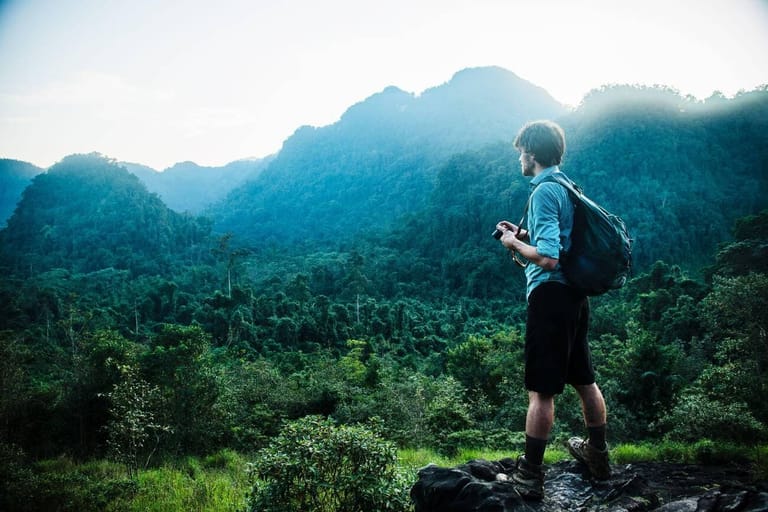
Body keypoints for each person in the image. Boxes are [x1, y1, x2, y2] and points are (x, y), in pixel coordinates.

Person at [495, 120, 610, 500]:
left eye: (520, 151)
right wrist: (525, 234)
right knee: (584, 380)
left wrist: (513, 243)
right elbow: (557, 241)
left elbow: (547, 259)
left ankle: (529, 475)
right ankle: (598, 455)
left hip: (550, 298)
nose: (518, 158)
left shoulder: (544, 191)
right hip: (576, 297)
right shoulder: (567, 186)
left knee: (541, 392)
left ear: (531, 152)